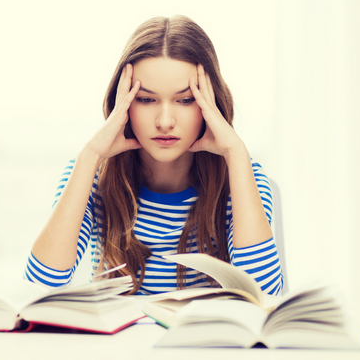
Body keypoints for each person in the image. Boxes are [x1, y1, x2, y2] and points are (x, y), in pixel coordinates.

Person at [24, 15, 284, 296]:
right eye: (146, 99)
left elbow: (265, 294)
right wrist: (90, 155)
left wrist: (235, 153)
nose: (164, 121)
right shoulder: (92, 174)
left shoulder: (243, 176)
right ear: (123, 104)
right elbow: (40, 287)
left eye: (185, 100)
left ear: (211, 104)